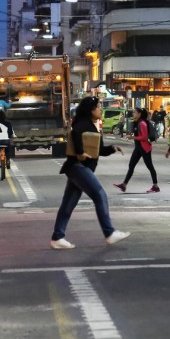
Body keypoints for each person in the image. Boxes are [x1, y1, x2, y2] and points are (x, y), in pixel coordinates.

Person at [50, 96, 130, 249]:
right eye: (99, 107)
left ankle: (57, 237)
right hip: (78, 167)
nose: (101, 110)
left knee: (68, 204)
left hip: (77, 168)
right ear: (91, 110)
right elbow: (75, 134)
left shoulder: (91, 125)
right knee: (100, 194)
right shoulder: (83, 123)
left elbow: (97, 151)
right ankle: (109, 232)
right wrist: (80, 152)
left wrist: (112, 148)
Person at [114, 108, 160, 193]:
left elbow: (144, 137)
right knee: (131, 165)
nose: (133, 114)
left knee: (150, 166)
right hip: (138, 148)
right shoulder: (138, 122)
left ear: (139, 114)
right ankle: (124, 185)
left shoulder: (142, 123)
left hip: (145, 148)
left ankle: (155, 186)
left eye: (135, 112)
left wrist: (132, 137)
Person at [0, 110, 15, 179]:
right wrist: (13, 137)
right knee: (8, 150)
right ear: (5, 116)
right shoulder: (9, 123)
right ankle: (7, 160)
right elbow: (11, 133)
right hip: (6, 141)